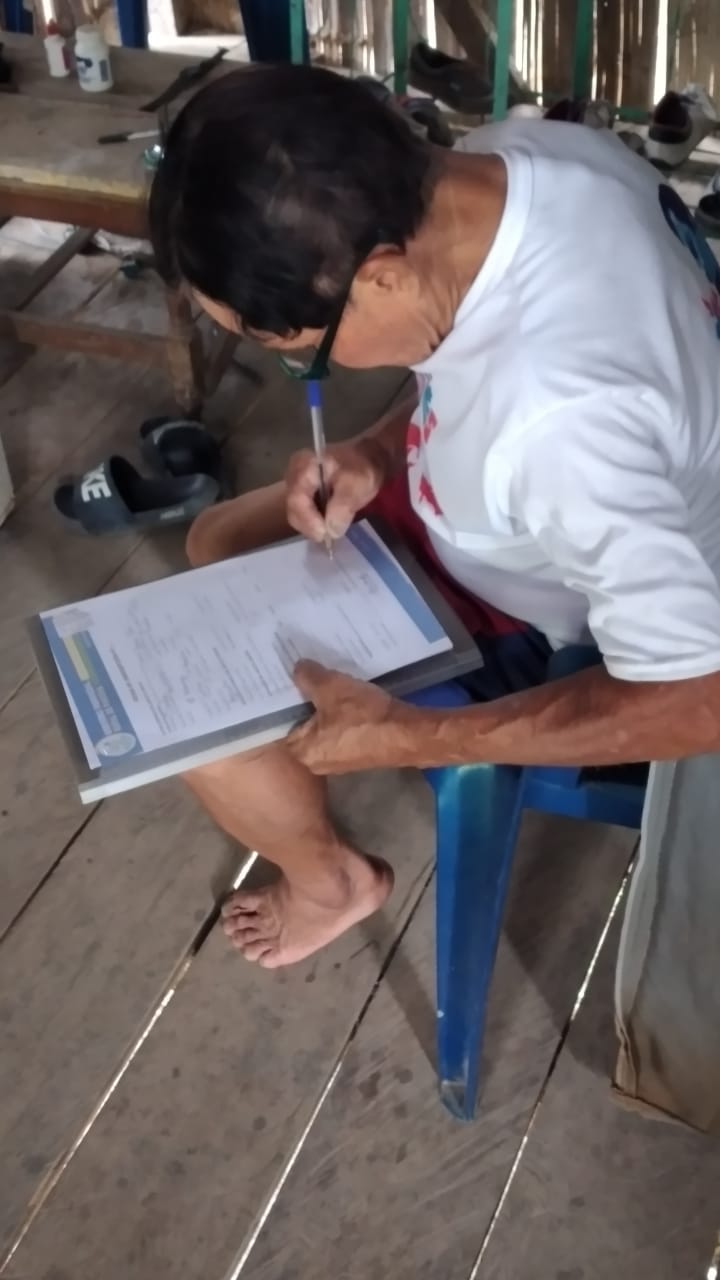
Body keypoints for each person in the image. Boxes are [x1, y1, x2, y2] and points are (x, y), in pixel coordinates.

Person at [149, 65, 720, 969]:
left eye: (301, 353)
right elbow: (475, 359)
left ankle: (331, 882)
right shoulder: (525, 157)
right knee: (219, 540)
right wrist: (379, 451)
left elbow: (696, 699)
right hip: (517, 513)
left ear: (380, 279)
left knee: (192, 710)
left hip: (544, 610)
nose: (309, 373)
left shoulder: (562, 426)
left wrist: (408, 736)